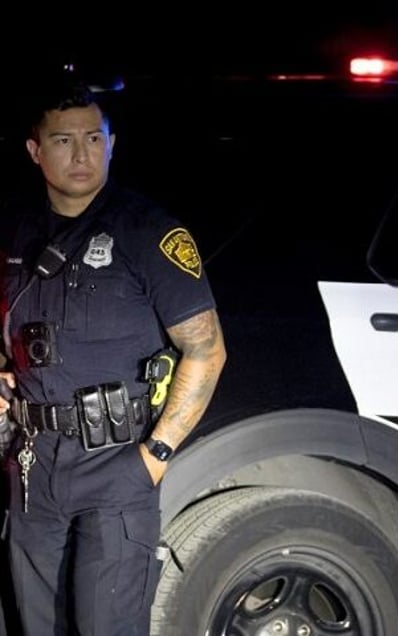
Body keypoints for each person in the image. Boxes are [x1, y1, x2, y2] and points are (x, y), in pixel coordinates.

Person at [0, 71, 227, 634]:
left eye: (94, 138)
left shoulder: (148, 232)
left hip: (117, 465)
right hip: (32, 467)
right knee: (35, 624)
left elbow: (206, 349)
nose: (82, 154)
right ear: (35, 151)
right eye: (62, 140)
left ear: (112, 143)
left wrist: (156, 456)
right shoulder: (14, 235)